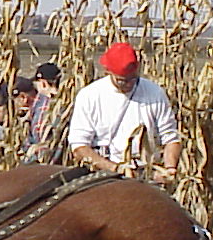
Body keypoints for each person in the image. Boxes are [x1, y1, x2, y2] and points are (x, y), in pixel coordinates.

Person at [68, 42, 181, 184]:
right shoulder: (89, 96)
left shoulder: (155, 93)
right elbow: (79, 146)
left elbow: (170, 137)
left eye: (133, 79)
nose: (129, 84)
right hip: (103, 172)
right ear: (108, 72)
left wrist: (169, 168)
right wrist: (116, 169)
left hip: (147, 173)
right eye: (122, 81)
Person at [23, 62, 63, 163]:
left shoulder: (43, 105)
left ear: (43, 83)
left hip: (42, 162)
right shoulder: (66, 103)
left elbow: (39, 135)